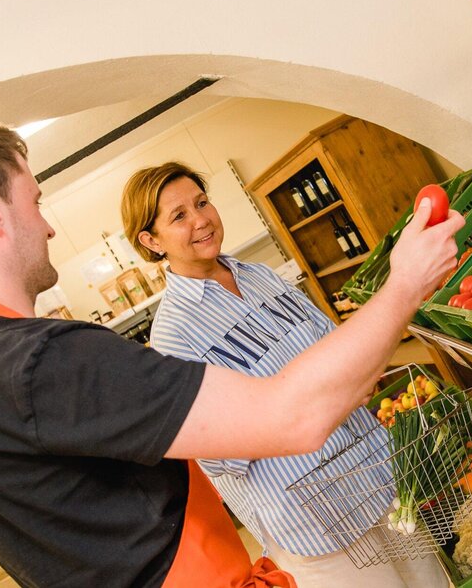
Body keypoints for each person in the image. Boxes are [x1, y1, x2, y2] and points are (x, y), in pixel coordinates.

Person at [0, 112, 463, 588]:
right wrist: (407, 281)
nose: (47, 227)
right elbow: (292, 417)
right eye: (36, 200)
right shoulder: (43, 361)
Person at [122, 162, 450, 588]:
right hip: (316, 524)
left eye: (202, 203)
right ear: (151, 241)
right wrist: (315, 402)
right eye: (179, 216)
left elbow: (332, 345)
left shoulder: (258, 276)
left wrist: (356, 375)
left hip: (379, 481)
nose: (201, 219)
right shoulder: (173, 335)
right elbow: (218, 451)